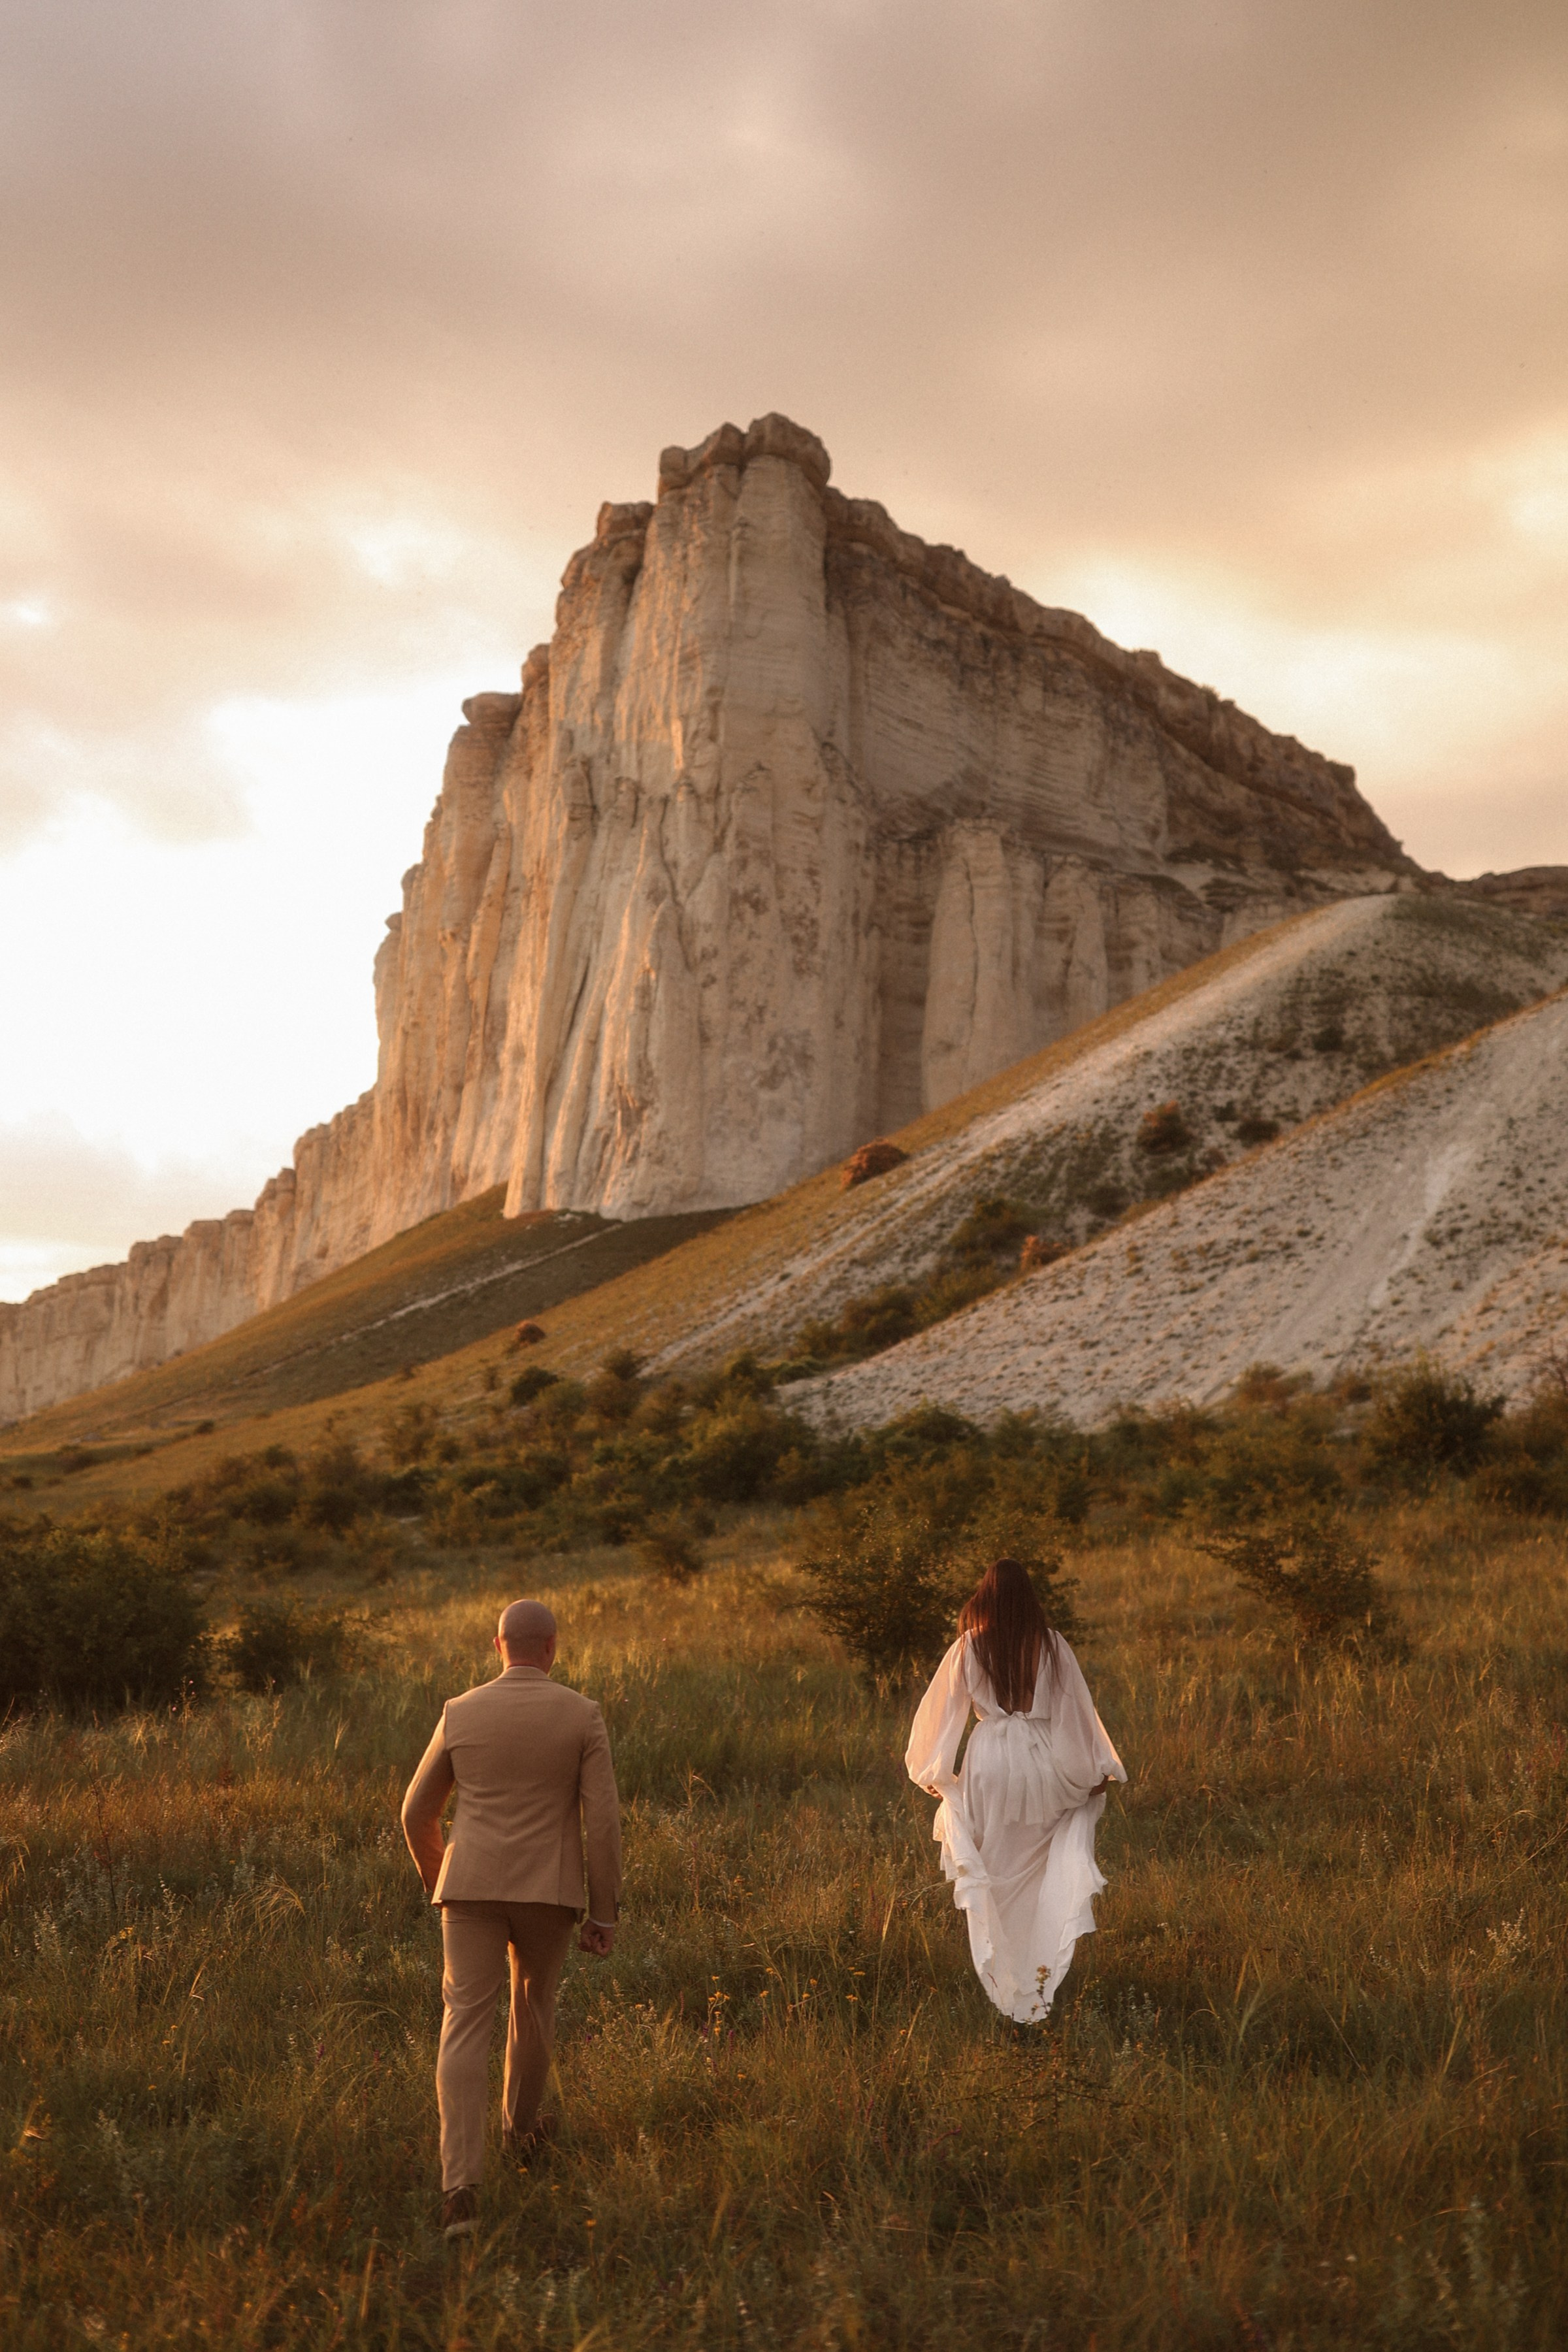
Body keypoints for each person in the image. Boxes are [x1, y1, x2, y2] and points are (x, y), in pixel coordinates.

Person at [401, 1599, 622, 2240]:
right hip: (547, 1893)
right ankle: (521, 2135)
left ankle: (460, 2188)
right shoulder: (582, 1715)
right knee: (533, 2008)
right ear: (551, 1647)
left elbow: (416, 1814)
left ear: (496, 1646)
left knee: (463, 2022)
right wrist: (603, 1910)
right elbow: (602, 1822)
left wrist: (439, 1874)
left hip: (466, 1886)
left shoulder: (460, 1712)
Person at [905, 1558, 1124, 2023]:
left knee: (997, 1873)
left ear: (984, 1595)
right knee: (1041, 1872)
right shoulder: (1051, 1645)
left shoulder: (968, 1648)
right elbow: (1074, 1713)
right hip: (1043, 1762)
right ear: (1029, 1597)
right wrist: (1089, 1772)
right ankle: (1038, 1978)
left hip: (989, 1766)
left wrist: (935, 1770)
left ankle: (1005, 1982)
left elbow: (941, 1715)